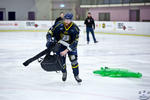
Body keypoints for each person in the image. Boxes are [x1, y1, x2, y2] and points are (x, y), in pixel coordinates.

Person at [46, 13, 82, 83]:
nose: (67, 21)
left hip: (71, 46)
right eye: (65, 19)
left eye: (68, 20)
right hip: (61, 45)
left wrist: (67, 50)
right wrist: (50, 40)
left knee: (74, 60)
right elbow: (50, 32)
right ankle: (64, 73)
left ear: (71, 20)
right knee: (61, 61)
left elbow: (75, 42)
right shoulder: (58, 24)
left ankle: (76, 75)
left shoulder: (75, 28)